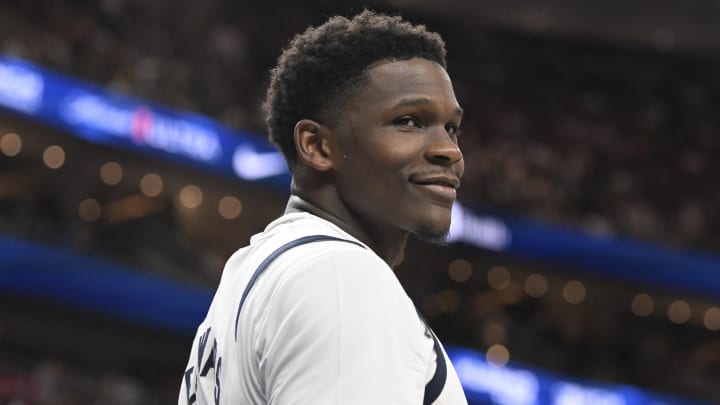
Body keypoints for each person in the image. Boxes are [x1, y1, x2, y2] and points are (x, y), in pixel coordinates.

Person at [180, 10, 467, 404]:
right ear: (316, 146)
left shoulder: (250, 274)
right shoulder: (342, 277)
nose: (449, 150)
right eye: (409, 121)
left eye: (451, 128)